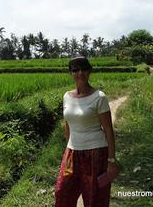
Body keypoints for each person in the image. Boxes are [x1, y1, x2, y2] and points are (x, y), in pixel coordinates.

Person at [55, 56, 120, 207]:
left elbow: (108, 130)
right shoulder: (67, 96)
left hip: (96, 154)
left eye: (84, 69)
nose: (80, 73)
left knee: (93, 198)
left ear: (90, 71)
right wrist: (68, 149)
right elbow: (68, 124)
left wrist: (111, 161)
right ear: (70, 73)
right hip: (72, 153)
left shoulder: (99, 97)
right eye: (75, 70)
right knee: (62, 192)